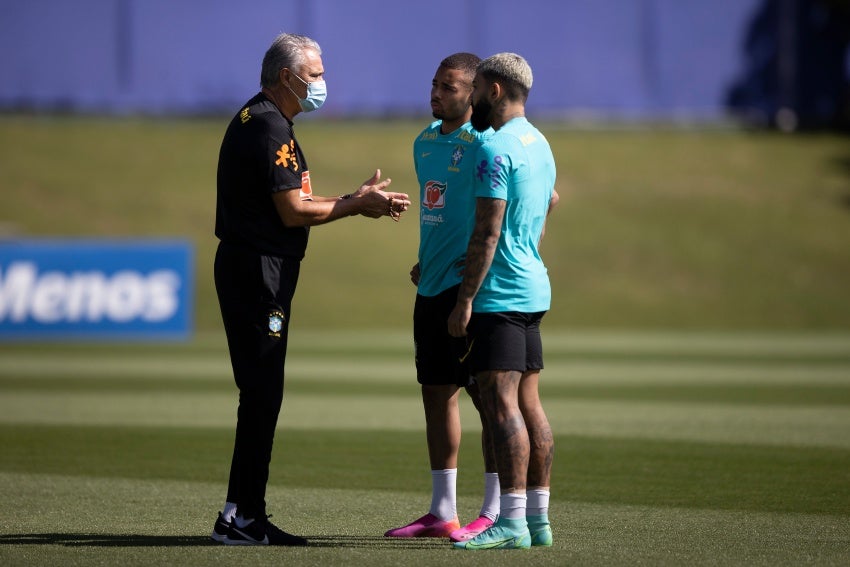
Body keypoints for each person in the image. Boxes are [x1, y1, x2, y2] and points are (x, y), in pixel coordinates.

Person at [211, 32, 411, 546]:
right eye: (316, 74)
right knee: (262, 391)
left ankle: (242, 513)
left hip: (255, 266)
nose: (322, 83)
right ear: (288, 76)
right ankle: (241, 518)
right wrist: (356, 207)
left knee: (261, 390)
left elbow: (291, 197)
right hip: (259, 272)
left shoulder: (261, 119)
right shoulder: (271, 127)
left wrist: (349, 197)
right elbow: (293, 211)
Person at [383, 53, 500, 543]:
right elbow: (442, 212)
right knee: (436, 393)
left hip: (469, 290)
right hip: (430, 286)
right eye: (434, 84)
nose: (437, 93)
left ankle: (496, 511)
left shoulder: (488, 144)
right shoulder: (425, 141)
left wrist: (475, 273)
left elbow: (524, 206)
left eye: (449, 87)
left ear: (473, 93)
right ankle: (442, 511)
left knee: (491, 402)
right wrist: (425, 259)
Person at [447, 52, 559, 551]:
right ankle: (538, 521)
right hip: (533, 288)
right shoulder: (540, 143)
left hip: (501, 295)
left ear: (493, 90)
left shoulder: (496, 148)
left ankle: (511, 521)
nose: (469, 98)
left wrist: (465, 299)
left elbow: (487, 231)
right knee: (530, 405)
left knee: (500, 405)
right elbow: (547, 204)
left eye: (476, 89)